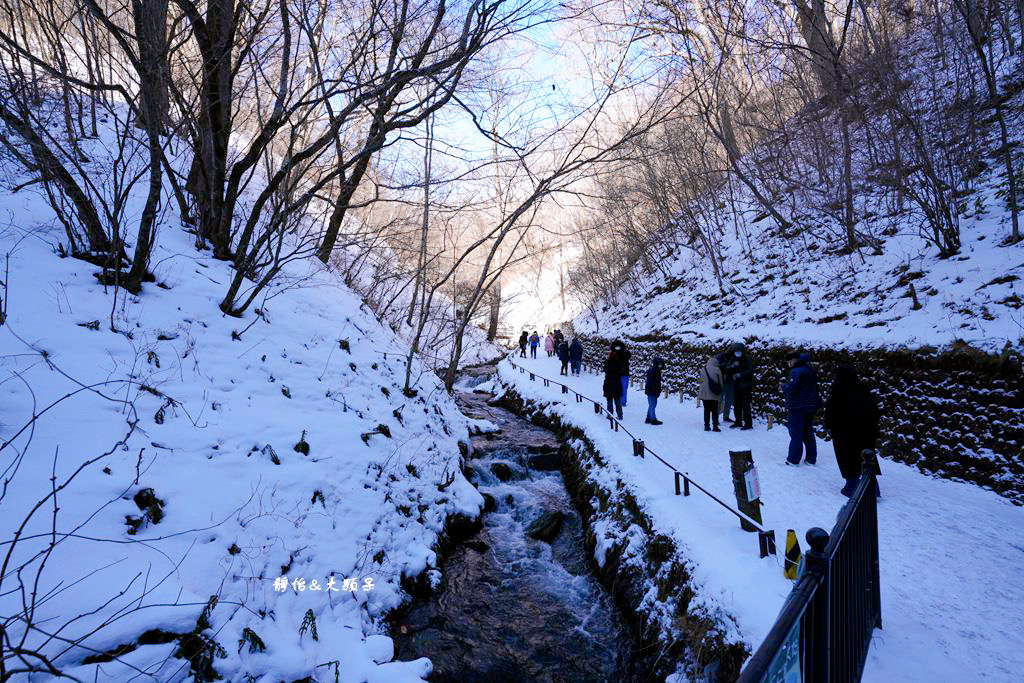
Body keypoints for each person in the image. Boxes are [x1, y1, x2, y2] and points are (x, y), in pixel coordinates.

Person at [824, 365, 881, 496]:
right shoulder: (863, 388)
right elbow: (875, 411)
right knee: (866, 459)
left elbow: (830, 413)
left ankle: (851, 487)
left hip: (845, 434)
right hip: (866, 433)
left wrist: (831, 427)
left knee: (848, 460)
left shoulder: (838, 390)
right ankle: (874, 490)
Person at [783, 351, 821, 465]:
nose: (788, 364)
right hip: (810, 406)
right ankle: (811, 458)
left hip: (798, 406)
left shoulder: (796, 371)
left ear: (793, 360)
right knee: (808, 432)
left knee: (795, 433)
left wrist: (783, 386)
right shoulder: (809, 369)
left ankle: (793, 459)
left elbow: (792, 389)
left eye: (788, 362)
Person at [729, 343, 754, 430]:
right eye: (736, 351)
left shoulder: (747, 359)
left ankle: (748, 423)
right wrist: (732, 367)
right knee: (737, 405)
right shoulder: (735, 359)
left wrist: (741, 375)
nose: (737, 353)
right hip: (736, 386)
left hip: (745, 386)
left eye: (738, 351)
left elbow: (751, 371)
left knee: (745, 405)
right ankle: (738, 421)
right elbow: (730, 370)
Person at [699, 354, 724, 431]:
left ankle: (706, 426)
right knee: (714, 410)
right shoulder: (717, 369)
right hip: (714, 394)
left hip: (704, 394)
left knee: (706, 410)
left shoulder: (703, 369)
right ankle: (715, 427)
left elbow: (700, 381)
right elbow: (721, 382)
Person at [610, 339, 631, 406]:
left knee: (624, 388)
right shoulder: (613, 355)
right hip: (617, 374)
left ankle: (622, 401)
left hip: (624, 374)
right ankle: (619, 400)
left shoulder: (625, 353)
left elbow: (628, 355)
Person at [603, 350, 624, 419]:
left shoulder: (607, 363)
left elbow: (605, 371)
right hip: (617, 385)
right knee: (617, 402)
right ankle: (620, 415)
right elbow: (621, 372)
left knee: (609, 401)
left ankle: (609, 414)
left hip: (609, 385)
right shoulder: (618, 364)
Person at [644, 357, 665, 425]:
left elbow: (657, 383)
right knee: (652, 404)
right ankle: (652, 419)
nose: (660, 366)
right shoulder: (652, 371)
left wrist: (657, 391)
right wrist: (655, 390)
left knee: (653, 404)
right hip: (651, 390)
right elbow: (651, 382)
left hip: (653, 390)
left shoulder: (657, 371)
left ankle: (648, 418)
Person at [717, 352, 736, 423]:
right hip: (721, 383)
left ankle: (726, 416)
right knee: (719, 401)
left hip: (730, 383)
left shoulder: (734, 359)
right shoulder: (721, 357)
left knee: (729, 400)